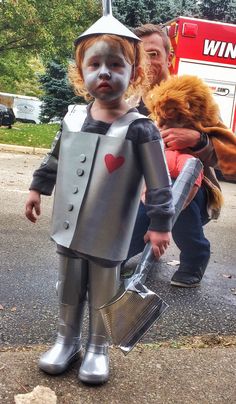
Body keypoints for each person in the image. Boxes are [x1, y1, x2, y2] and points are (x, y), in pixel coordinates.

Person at [25, 12, 174, 385]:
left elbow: (160, 185)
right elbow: (55, 159)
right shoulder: (72, 118)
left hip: (109, 233)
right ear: (81, 73)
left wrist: (159, 225)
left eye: (115, 64)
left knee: (105, 291)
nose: (104, 73)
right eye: (94, 64)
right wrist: (36, 189)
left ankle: (97, 348)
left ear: (134, 73)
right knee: (70, 286)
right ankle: (65, 340)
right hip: (68, 228)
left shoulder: (140, 129)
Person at [125, 23, 222, 288]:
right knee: (119, 252)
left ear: (169, 56)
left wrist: (198, 140)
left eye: (154, 54)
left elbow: (227, 152)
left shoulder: (190, 96)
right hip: (139, 191)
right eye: (139, 56)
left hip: (190, 188)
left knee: (177, 190)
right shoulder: (125, 102)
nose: (147, 62)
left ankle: (194, 258)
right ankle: (128, 251)